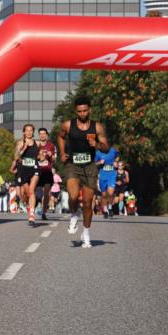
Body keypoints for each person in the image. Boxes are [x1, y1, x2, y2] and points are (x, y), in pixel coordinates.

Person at [57, 96, 110, 248]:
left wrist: (97, 144)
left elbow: (106, 147)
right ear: (76, 111)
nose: (82, 113)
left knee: (87, 203)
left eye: (85, 110)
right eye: (79, 111)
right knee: (73, 196)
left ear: (89, 110)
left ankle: (86, 234)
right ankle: (74, 214)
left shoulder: (97, 127)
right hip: (72, 164)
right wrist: (61, 152)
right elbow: (60, 137)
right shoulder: (68, 125)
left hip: (90, 166)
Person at [10, 124, 40, 226]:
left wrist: (43, 156)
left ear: (33, 132)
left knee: (31, 191)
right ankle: (29, 207)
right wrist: (23, 148)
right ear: (23, 132)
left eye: (31, 130)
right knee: (27, 194)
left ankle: (31, 214)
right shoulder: (20, 142)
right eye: (27, 131)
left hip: (34, 169)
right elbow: (16, 156)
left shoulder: (38, 143)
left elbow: (40, 155)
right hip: (23, 170)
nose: (29, 132)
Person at [35, 127, 56, 220]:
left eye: (44, 133)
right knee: (39, 194)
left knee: (46, 192)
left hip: (47, 172)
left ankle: (44, 212)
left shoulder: (51, 145)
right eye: (40, 134)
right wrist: (39, 156)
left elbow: (55, 157)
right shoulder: (36, 145)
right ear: (39, 135)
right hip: (38, 172)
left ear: (47, 135)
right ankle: (37, 204)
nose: (42, 135)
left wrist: (51, 156)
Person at [95, 146, 119, 219]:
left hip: (112, 174)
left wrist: (116, 161)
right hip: (102, 176)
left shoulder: (113, 150)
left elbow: (117, 156)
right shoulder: (98, 153)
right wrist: (99, 162)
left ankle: (110, 208)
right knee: (104, 195)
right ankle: (105, 210)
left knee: (111, 193)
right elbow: (94, 163)